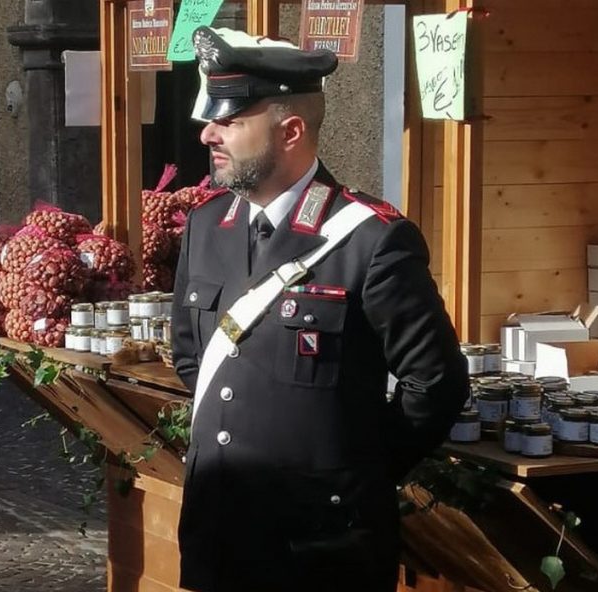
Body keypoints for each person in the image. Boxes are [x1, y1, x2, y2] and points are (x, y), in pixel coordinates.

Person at [171, 27, 470, 592]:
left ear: (290, 130)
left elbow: (436, 382)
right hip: (220, 537)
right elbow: (192, 358)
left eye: (229, 120)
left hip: (322, 549)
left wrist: (351, 471)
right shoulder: (207, 227)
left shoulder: (371, 239)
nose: (207, 131)